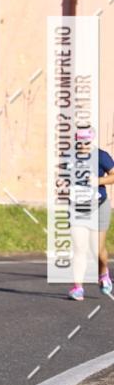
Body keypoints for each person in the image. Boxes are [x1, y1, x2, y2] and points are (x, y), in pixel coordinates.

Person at [68, 128, 114, 301]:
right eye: (79, 141)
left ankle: (103, 273)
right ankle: (77, 287)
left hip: (99, 206)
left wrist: (98, 181)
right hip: (77, 207)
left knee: (97, 249)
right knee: (79, 248)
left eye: (86, 142)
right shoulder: (69, 156)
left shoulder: (101, 156)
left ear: (92, 140)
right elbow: (63, 178)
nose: (82, 145)